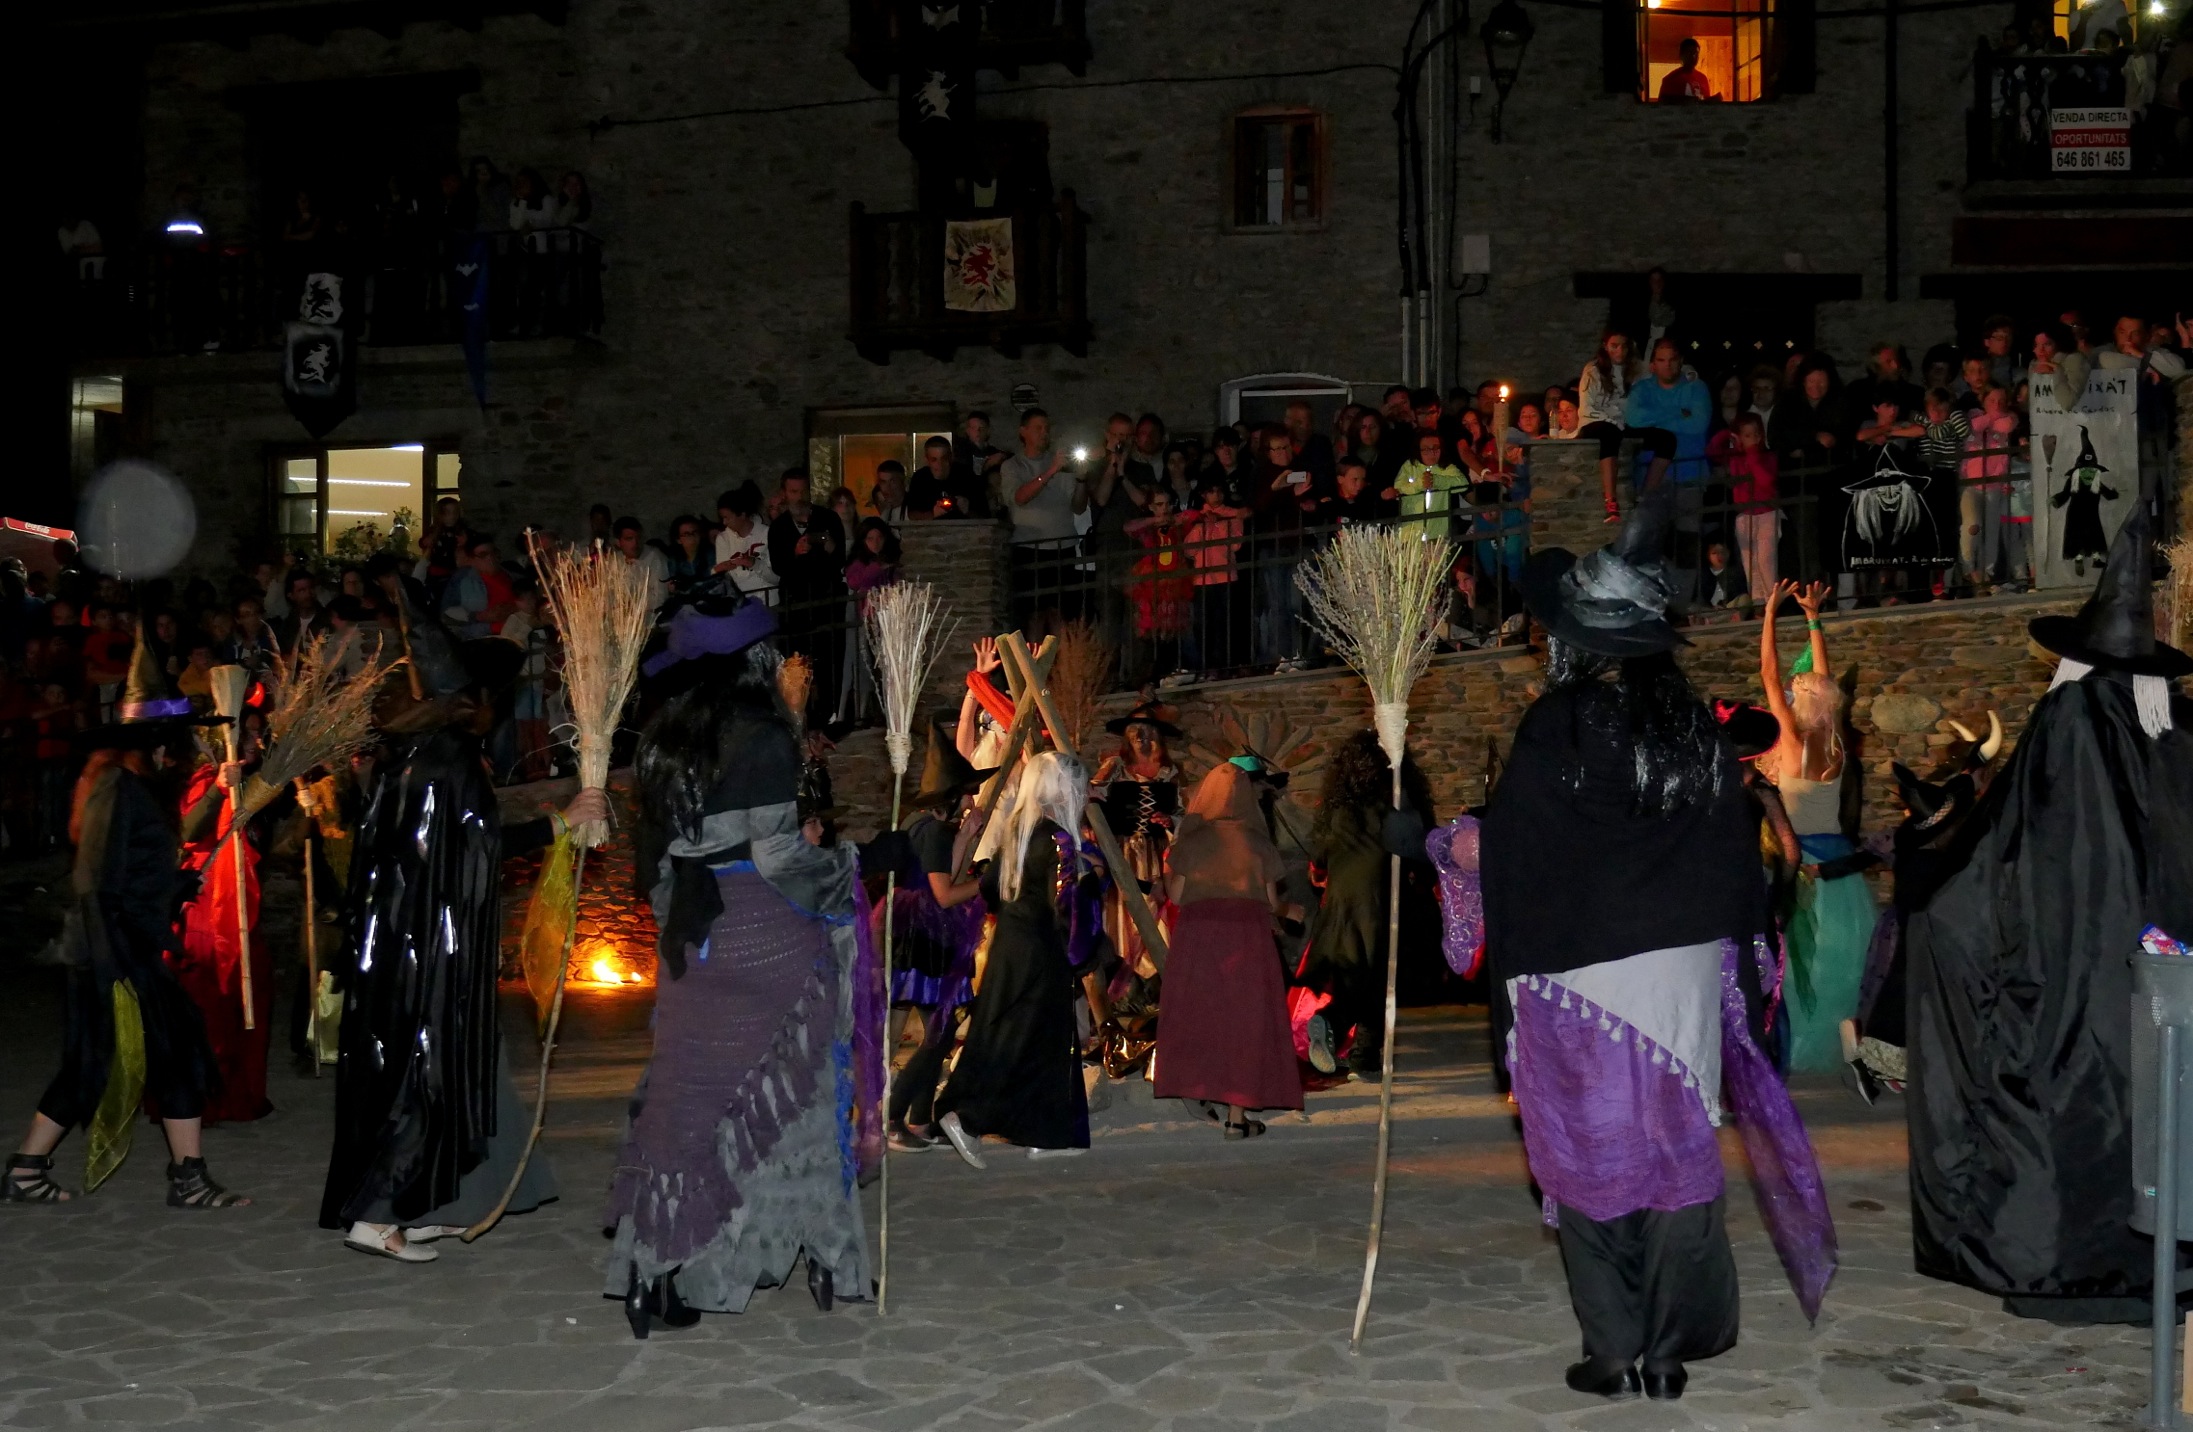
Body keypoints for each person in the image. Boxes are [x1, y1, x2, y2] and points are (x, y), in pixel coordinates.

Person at [1487, 496, 1834, 1401]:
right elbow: (1730, 857)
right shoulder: (1693, 729)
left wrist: (1440, 848)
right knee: (1675, 1147)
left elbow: (1519, 849)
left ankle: (1612, 1349)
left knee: (1587, 1147)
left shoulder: (1554, 727)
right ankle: (1670, 1348)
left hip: (1574, 972)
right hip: (1677, 972)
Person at [1908, 505, 2193, 1322]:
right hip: (2161, 977)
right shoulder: (2167, 735)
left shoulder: (2067, 721)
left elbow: (2005, 851)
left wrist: (1938, 894)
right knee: (2149, 1106)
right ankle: (2158, 1270)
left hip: (2065, 973)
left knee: (2072, 1103)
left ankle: (2067, 1269)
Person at [604, 596, 878, 1329]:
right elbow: (780, 856)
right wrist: (843, 868)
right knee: (800, 1101)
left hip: (694, 939)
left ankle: (650, 1271)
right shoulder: (763, 735)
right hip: (766, 931)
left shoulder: (659, 741)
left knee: (685, 1107)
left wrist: (678, 936)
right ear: (757, 660)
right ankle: (815, 1249)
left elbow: (655, 863)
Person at [319, 584, 608, 1262]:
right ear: (466, 702)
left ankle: (442, 1201)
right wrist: (561, 823)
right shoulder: (448, 763)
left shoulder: (404, 760)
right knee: (422, 1072)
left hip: (397, 945)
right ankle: (379, 1213)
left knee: (454, 1070)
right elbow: (474, 848)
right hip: (425, 957)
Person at [3, 680, 249, 1208]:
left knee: (100, 1060)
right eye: (181, 742)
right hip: (112, 952)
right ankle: (188, 1179)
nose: (183, 754)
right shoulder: (116, 784)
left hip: (117, 948)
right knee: (163, 1053)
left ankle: (26, 1170)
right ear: (159, 744)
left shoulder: (130, 786)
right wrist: (119, 963)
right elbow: (96, 881)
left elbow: (134, 871)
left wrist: (175, 885)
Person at [936, 751, 1095, 1165]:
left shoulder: (1017, 833)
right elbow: (1066, 903)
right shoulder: (1058, 839)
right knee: (1025, 1038)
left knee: (1024, 1035)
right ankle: (969, 1118)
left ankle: (1042, 1130)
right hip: (1042, 951)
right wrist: (1082, 948)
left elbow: (990, 887)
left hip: (1010, 944)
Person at [1759, 581, 1878, 1071]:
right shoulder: (1837, 744)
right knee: (1842, 960)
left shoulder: (1789, 741)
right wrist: (1813, 619)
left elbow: (1768, 672)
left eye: (1795, 688)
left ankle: (1799, 1045)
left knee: (1799, 961)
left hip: (1800, 861)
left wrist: (1768, 612)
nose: (1790, 687)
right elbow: (1822, 678)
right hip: (1839, 863)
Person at [1155, 761, 1301, 1137]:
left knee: (1204, 1015)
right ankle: (1237, 1117)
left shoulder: (1193, 840)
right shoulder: (1257, 842)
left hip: (1198, 940)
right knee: (1245, 1022)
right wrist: (1292, 911)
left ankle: (1203, 1088)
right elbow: (1271, 901)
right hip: (1247, 939)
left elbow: (1177, 894)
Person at [878, 720, 991, 1151]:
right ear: (954, 795)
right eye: (968, 790)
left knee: (939, 1031)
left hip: (914, 929)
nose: (973, 797)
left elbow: (938, 873)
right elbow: (944, 894)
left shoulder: (920, 824)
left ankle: (921, 1121)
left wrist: (965, 838)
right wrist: (989, 884)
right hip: (925, 936)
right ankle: (893, 1118)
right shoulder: (934, 832)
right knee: (939, 1033)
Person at [1296, 730, 1432, 1078]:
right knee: (1378, 982)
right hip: (1378, 902)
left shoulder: (1338, 810)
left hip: (1340, 907)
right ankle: (1346, 1037)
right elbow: (1418, 849)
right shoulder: (1394, 803)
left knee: (1354, 980)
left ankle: (1353, 1047)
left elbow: (1320, 857)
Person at [173, 722, 273, 1124]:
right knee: (211, 999)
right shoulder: (203, 781)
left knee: (247, 994)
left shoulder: (246, 782)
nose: (258, 742)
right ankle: (206, 1100)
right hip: (207, 909)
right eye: (250, 737)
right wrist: (218, 786)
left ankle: (237, 1093)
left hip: (232, 903)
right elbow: (190, 831)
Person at [767, 470, 847, 719]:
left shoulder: (828, 518)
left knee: (829, 661)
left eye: (803, 490)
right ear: (784, 493)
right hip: (796, 604)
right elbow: (779, 567)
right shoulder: (779, 527)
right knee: (797, 664)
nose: (799, 497)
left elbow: (841, 558)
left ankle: (830, 714)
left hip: (826, 601)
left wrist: (829, 545)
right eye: (793, 492)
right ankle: (799, 715)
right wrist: (795, 552)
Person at [1001, 409, 1086, 639]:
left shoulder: (1062, 465)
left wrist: (1081, 480)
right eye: (1038, 428)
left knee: (1061, 615)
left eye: (1047, 428)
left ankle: (1063, 670)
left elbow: (1078, 506)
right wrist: (1050, 471)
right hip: (1030, 549)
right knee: (1034, 615)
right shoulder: (1013, 466)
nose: (1044, 433)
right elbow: (1020, 497)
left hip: (1062, 547)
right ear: (1023, 432)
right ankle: (1035, 670)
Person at [1708, 413, 1779, 603]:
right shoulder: (1735, 457)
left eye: (1756, 434)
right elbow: (1713, 451)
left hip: (1766, 513)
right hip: (1744, 514)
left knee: (1765, 561)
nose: (1753, 438)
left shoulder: (1767, 456)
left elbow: (1765, 480)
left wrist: (1752, 454)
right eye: (1746, 435)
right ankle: (1758, 604)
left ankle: (1772, 602)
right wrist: (1727, 434)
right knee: (1750, 563)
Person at [1578, 330, 1640, 523]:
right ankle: (1611, 502)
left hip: (1623, 422)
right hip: (1593, 421)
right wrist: (1614, 419)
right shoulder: (1593, 370)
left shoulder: (1635, 370)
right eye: (1614, 346)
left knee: (1662, 437)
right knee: (1609, 432)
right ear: (1606, 346)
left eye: (1623, 346)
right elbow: (1588, 405)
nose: (1619, 351)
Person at [712, 483, 776, 602]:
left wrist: (754, 563)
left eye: (728, 517)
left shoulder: (767, 534)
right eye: (722, 518)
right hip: (739, 605)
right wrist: (717, 570)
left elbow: (776, 578)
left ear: (742, 514)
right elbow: (722, 580)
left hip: (767, 602)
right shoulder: (723, 539)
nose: (724, 522)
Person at [613, 518, 672, 614]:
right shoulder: (614, 561)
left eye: (638, 538)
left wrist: (632, 606)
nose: (635, 543)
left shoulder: (655, 557)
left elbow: (660, 597)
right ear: (618, 542)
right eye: (629, 539)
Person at [1656, 37, 1719, 102]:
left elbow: (1707, 105)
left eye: (1696, 53)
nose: (1693, 56)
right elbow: (1662, 105)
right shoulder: (1670, 80)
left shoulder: (1703, 79)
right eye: (1689, 53)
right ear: (1681, 55)